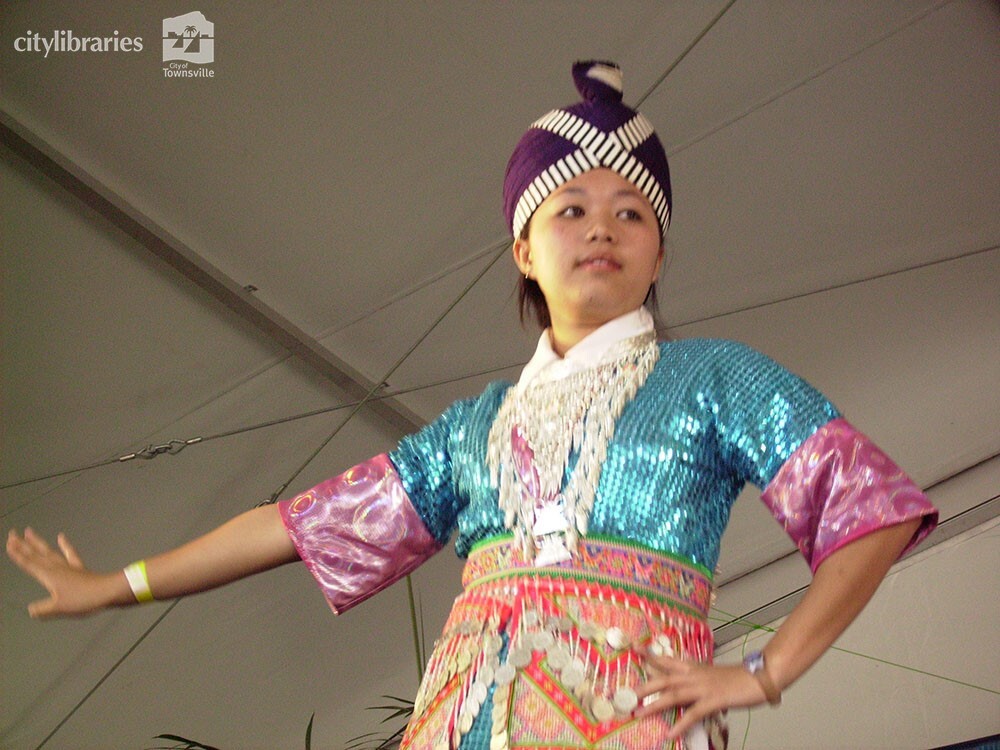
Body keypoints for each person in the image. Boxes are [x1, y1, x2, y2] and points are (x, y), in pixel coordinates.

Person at [6, 61, 937, 750]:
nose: (602, 228)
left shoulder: (720, 378)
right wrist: (117, 585)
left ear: (660, 254)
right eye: (569, 208)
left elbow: (871, 514)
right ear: (523, 251)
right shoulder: (475, 427)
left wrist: (763, 674)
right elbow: (292, 525)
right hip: (465, 720)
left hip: (631, 723)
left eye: (632, 212)